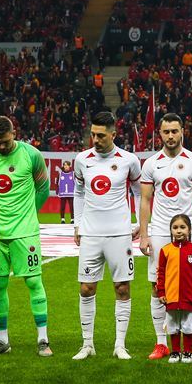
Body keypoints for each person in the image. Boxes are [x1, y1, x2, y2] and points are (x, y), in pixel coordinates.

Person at [0, 115, 52, 357]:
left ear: (14, 134)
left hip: (25, 233)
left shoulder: (32, 155)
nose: (2, 147)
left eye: (5, 142)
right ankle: (2, 340)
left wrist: (29, 214)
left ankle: (43, 339)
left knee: (33, 282)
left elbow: (43, 188)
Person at [139, 113, 192, 361]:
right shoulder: (151, 164)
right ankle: (161, 343)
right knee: (157, 286)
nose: (170, 136)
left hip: (189, 229)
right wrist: (144, 235)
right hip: (161, 229)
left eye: (174, 131)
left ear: (182, 132)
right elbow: (145, 200)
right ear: (159, 134)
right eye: (166, 131)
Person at [72, 111, 142, 360]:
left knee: (122, 288)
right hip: (91, 234)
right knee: (86, 288)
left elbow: (138, 192)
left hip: (119, 233)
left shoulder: (128, 160)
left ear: (113, 134)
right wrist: (77, 224)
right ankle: (87, 344)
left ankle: (120, 345)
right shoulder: (82, 160)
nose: (95, 140)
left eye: (101, 135)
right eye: (93, 134)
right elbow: (79, 193)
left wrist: (139, 222)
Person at [156, 214, 192, 364]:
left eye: (182, 227)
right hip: (171, 296)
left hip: (189, 296)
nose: (179, 231)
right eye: (175, 227)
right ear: (171, 230)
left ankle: (188, 352)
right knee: (172, 325)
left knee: (188, 325)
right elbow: (160, 273)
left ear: (189, 230)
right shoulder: (165, 250)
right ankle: (175, 352)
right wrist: (161, 292)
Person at [57, 160, 75, 224]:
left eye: (67, 165)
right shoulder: (60, 174)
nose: (66, 166)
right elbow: (58, 182)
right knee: (62, 206)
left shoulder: (73, 174)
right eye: (64, 165)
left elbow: (76, 183)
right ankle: (62, 219)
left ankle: (72, 219)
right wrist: (58, 190)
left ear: (69, 166)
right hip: (63, 193)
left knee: (72, 206)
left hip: (71, 193)